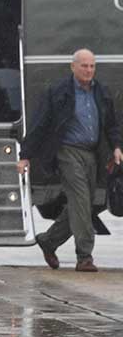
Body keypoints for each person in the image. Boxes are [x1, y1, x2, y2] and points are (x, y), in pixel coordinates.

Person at [17, 49, 123, 272]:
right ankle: (84, 256)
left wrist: (116, 147)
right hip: (66, 151)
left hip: (92, 153)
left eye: (92, 66)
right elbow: (40, 124)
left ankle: (49, 240)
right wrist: (25, 155)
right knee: (81, 199)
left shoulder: (101, 92)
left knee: (85, 204)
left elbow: (111, 124)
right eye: (84, 66)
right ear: (73, 67)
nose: (89, 70)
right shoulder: (58, 92)